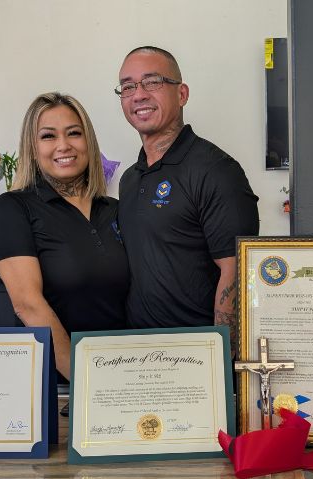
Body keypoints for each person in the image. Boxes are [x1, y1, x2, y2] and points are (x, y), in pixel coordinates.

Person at [116, 46, 259, 351]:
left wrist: (220, 361)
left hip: (196, 356)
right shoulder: (130, 178)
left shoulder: (216, 170)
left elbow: (235, 273)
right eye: (128, 87)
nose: (138, 94)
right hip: (137, 354)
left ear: (181, 94)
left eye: (152, 82)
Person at [0, 92, 128, 380]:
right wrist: (86, 382)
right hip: (61, 384)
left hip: (126, 370)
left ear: (88, 141)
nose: (64, 145)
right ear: (32, 147)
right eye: (48, 136)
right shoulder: (13, 208)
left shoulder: (114, 209)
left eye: (74, 133)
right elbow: (27, 304)